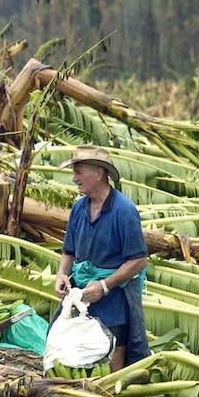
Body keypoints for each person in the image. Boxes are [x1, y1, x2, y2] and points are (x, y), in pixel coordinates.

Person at [53, 145, 150, 372]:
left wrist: (104, 286)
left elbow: (139, 260)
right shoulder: (79, 208)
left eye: (79, 172)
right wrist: (62, 274)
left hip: (115, 296)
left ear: (98, 173)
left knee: (113, 353)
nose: (74, 178)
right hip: (83, 291)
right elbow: (69, 251)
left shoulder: (123, 210)